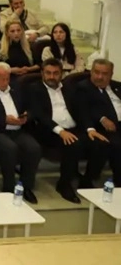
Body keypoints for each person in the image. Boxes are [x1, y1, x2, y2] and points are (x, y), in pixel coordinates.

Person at [29, 59, 108, 202]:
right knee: (73, 144)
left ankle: (87, 179)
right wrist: (61, 131)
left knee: (100, 142)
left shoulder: (70, 88)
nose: (51, 76)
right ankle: (64, 184)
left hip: (73, 128)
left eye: (55, 73)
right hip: (49, 131)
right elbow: (40, 115)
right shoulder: (34, 89)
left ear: (61, 74)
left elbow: (81, 110)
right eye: (48, 73)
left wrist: (90, 129)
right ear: (42, 73)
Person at [0, 62, 42, 203]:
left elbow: (31, 107)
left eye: (8, 78)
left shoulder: (16, 87)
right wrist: (4, 119)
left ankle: (26, 186)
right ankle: (9, 187)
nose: (6, 82)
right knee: (10, 148)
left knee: (34, 148)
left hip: (18, 130)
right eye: (2, 78)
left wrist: (26, 116)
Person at [76, 59, 121, 186]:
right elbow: (82, 109)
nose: (100, 77)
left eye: (104, 73)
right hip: (102, 128)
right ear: (91, 72)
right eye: (96, 72)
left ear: (111, 74)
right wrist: (101, 118)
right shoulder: (83, 88)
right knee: (116, 145)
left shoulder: (117, 86)